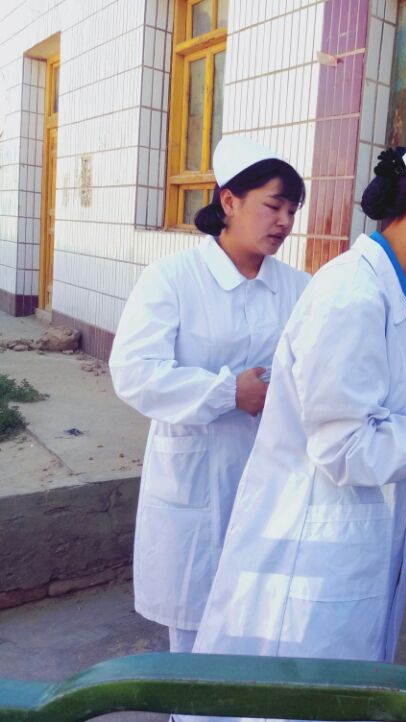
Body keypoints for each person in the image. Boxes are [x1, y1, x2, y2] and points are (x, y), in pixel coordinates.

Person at [186, 119, 406, 721]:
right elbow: (345, 448)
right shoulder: (352, 295)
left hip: (345, 549)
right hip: (311, 558)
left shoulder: (392, 294)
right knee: (289, 706)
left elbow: (371, 420)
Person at [109, 136, 310, 654]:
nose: (284, 221)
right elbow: (133, 371)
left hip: (272, 478)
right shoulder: (173, 279)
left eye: (292, 210)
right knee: (196, 637)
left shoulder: (299, 288)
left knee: (264, 628)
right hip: (195, 479)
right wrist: (227, 393)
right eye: (273, 206)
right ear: (229, 201)